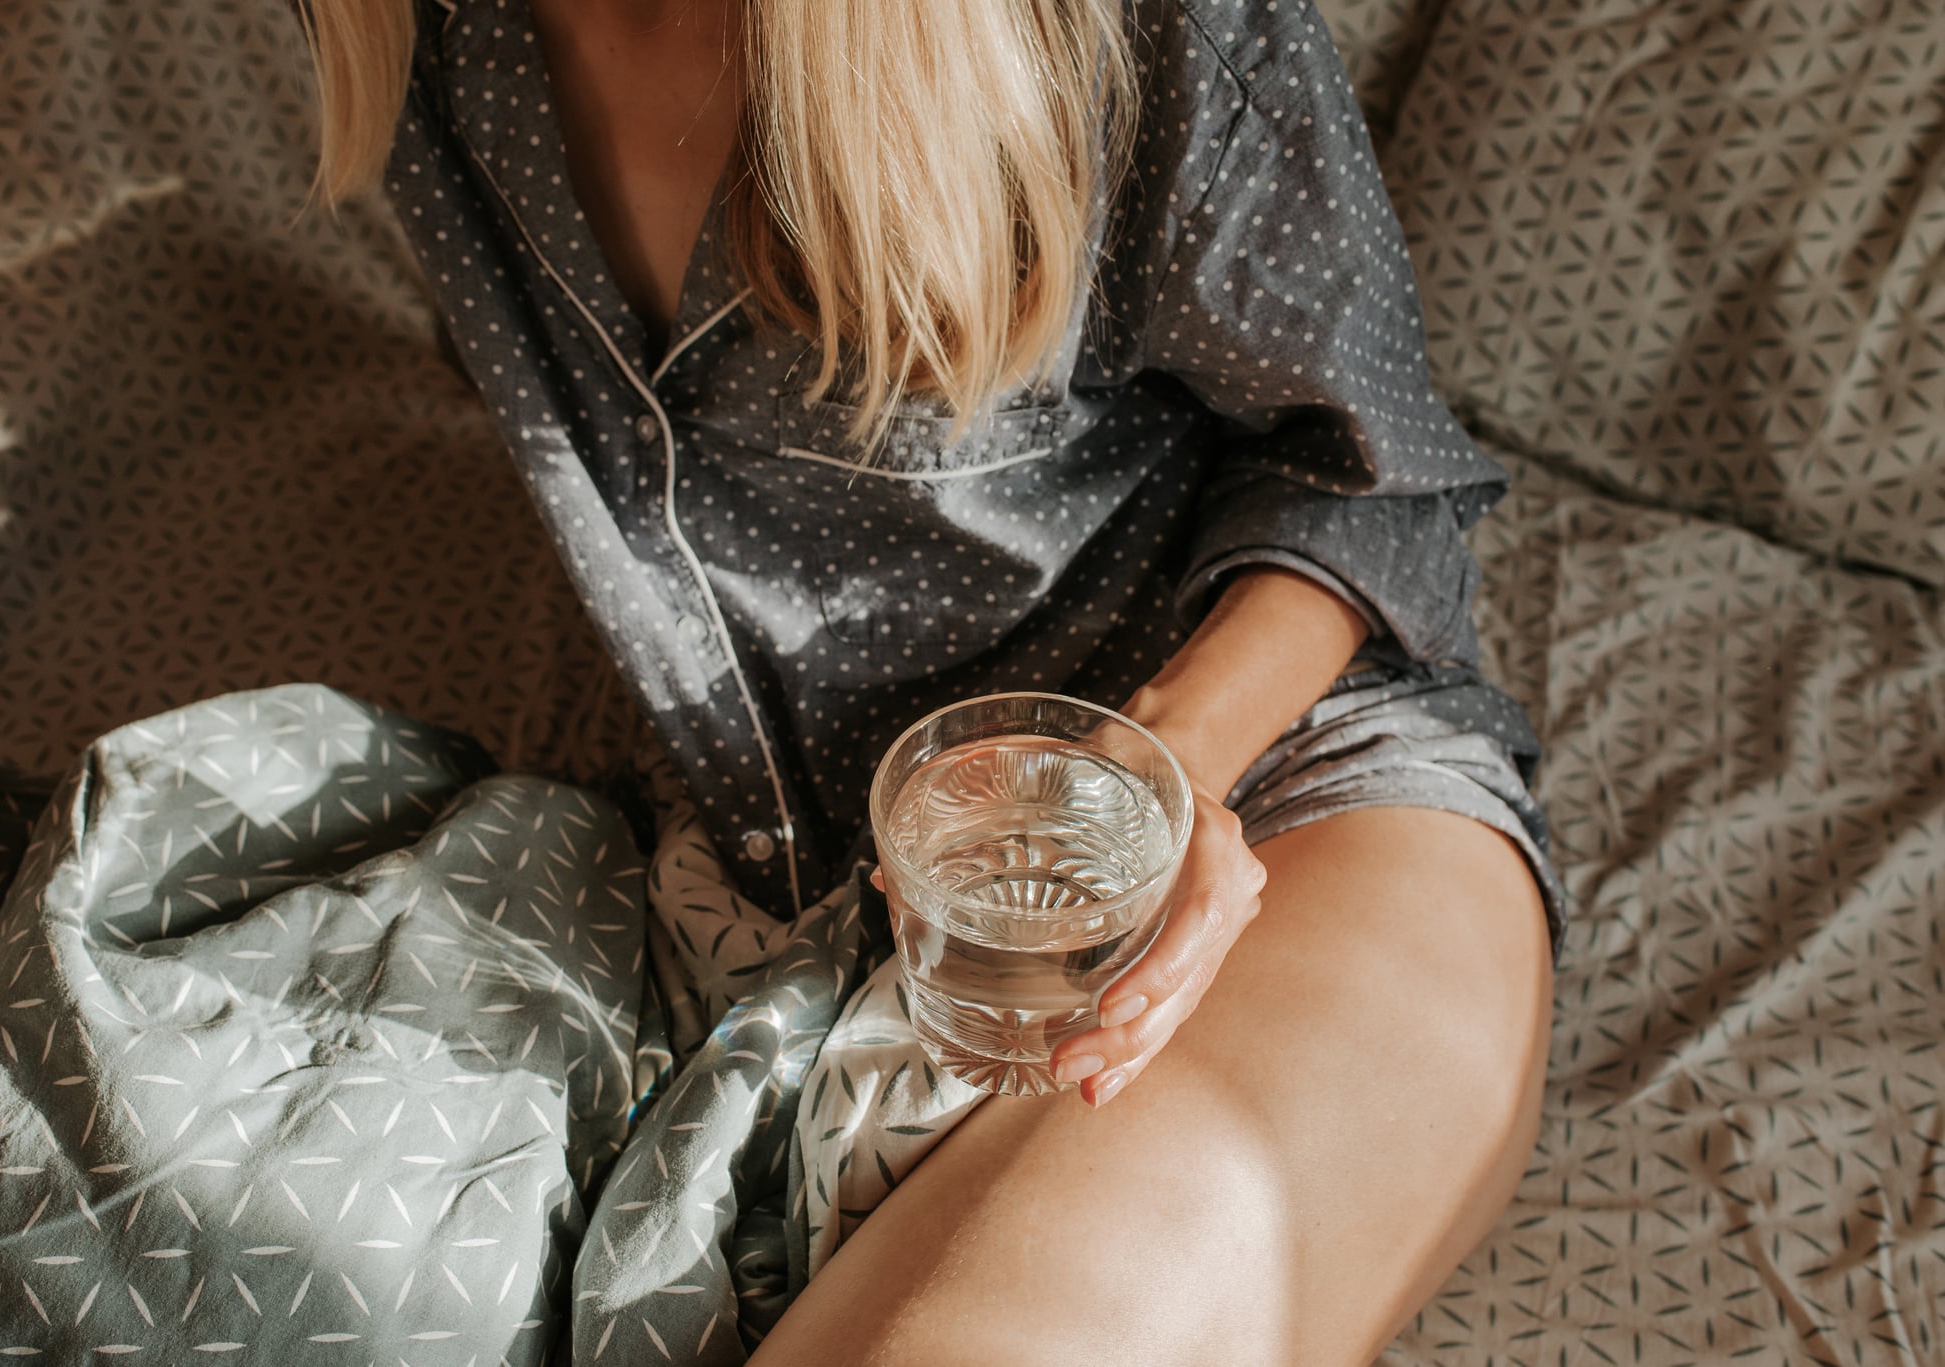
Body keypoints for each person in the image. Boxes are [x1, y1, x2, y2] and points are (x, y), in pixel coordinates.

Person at [305, 0, 1565, 1358]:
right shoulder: (428, 36)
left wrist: (1158, 767)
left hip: (1279, 804)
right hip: (762, 876)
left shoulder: (1123, 25)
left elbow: (1373, 480)